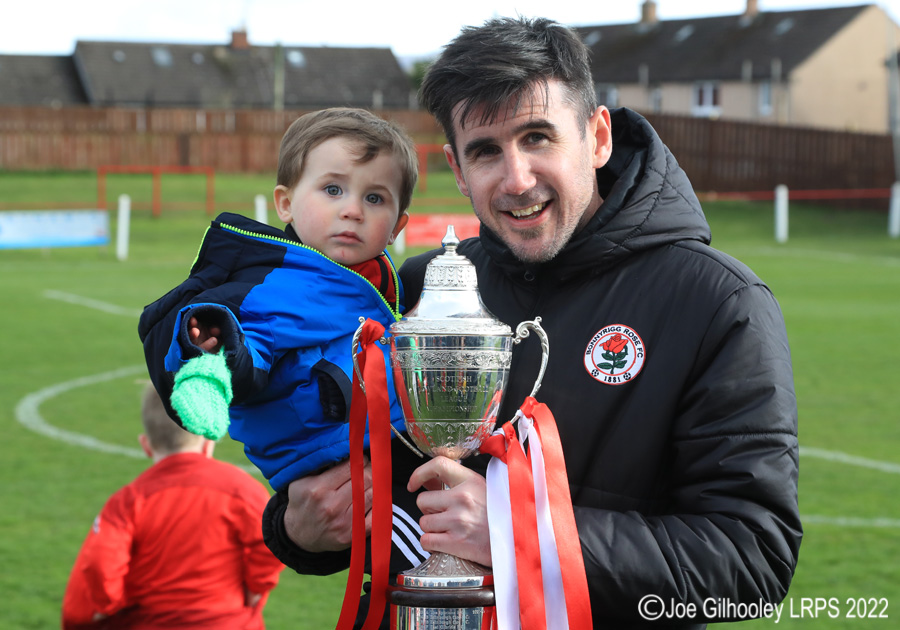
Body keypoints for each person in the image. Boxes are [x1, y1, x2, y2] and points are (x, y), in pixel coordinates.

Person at [263, 16, 802, 629]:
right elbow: (354, 472)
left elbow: (753, 562)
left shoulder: (717, 303)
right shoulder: (419, 292)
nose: (516, 179)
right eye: (486, 151)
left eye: (538, 137)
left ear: (597, 138)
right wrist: (294, 528)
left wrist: (521, 533)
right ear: (458, 170)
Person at [138, 107, 419, 493]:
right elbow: (245, 339)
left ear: (397, 227)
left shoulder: (378, 280)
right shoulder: (278, 283)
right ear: (285, 204)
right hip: (330, 468)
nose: (352, 210)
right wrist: (210, 367)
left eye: (374, 198)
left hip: (382, 446)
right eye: (333, 190)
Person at [61, 384, 284, 630]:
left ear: (146, 445)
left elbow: (99, 562)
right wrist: (256, 587)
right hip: (228, 622)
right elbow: (270, 542)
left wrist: (112, 604)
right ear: (208, 440)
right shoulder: (243, 490)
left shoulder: (128, 501)